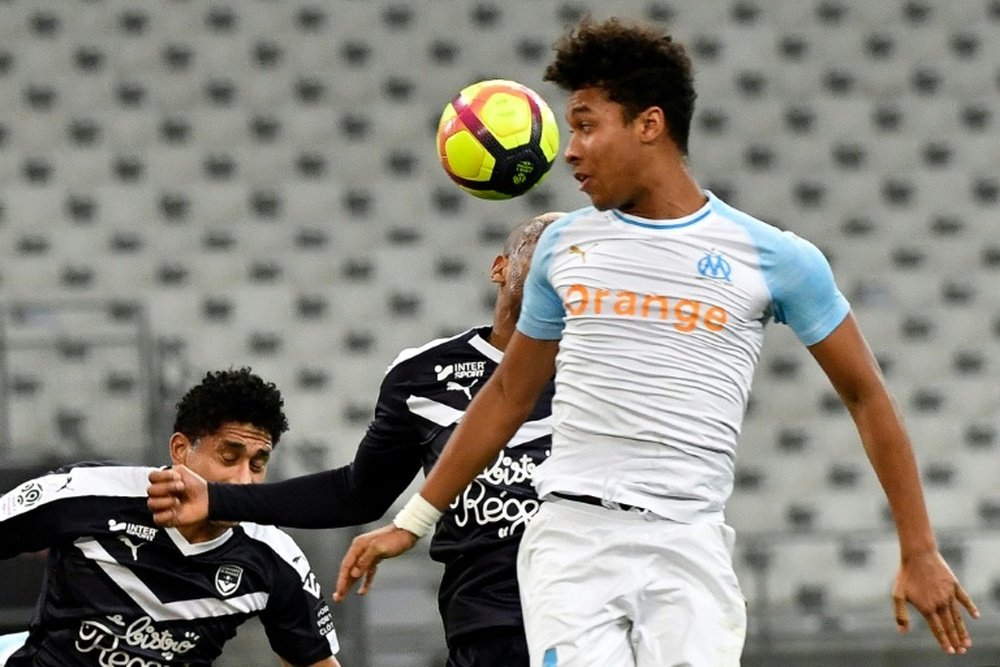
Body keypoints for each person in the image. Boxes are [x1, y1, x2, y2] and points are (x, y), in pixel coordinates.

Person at [330, 16, 979, 667]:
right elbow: (505, 393)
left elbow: (867, 396)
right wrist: (412, 519)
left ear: (650, 124)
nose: (569, 150)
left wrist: (918, 547)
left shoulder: (777, 258)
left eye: (585, 125)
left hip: (687, 541)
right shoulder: (565, 246)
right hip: (571, 540)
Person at [146, 213, 562, 666]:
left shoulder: (608, 369)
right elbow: (357, 494)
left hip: (588, 607)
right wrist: (218, 499)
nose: (558, 270)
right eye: (545, 253)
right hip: (485, 626)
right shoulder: (422, 376)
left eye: (572, 263)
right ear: (500, 268)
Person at [0, 368, 341, 667]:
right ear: (180, 450)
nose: (243, 480)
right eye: (228, 456)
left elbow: (313, 662)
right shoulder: (88, 493)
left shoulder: (275, 557)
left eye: (257, 464)